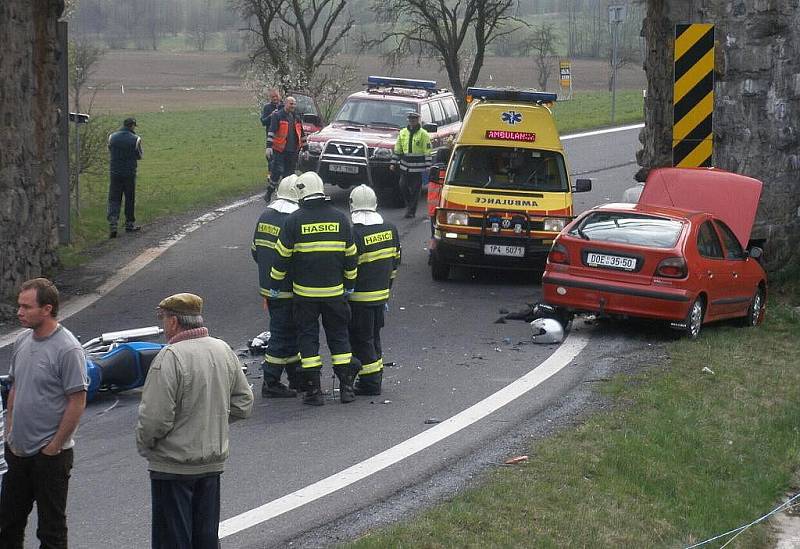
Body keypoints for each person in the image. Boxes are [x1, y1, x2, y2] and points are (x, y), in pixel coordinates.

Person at [136, 293, 253, 549]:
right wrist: (211, 422)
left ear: (174, 322)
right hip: (211, 463)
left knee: (173, 540)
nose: (163, 325)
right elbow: (243, 403)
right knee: (206, 538)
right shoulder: (223, 350)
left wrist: (146, 445)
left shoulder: (170, 358)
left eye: (164, 319)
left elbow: (155, 419)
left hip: (173, 466)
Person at [0, 278, 88, 548]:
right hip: (18, 451)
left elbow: (77, 400)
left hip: (50, 457)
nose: (19, 312)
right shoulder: (23, 340)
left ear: (47, 309)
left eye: (26, 307)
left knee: (51, 530)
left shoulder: (68, 348)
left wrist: (54, 447)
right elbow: (15, 385)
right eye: (19, 306)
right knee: (7, 524)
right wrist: (11, 430)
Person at [268, 171, 360, 406]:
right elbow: (351, 258)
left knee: (308, 340)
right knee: (339, 339)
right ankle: (346, 389)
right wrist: (349, 285)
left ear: (301, 192)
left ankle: (314, 392)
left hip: (305, 295)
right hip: (334, 293)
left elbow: (281, 259)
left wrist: (274, 286)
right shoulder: (341, 219)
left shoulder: (294, 220)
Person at [251, 174, 302, 398]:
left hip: (268, 287)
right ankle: (270, 380)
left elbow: (255, 251)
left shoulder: (265, 216)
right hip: (288, 288)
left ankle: (295, 376)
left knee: (289, 332)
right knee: (282, 334)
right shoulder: (293, 220)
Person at [347, 185, 401, 396]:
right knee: (373, 338)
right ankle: (375, 376)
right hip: (381, 296)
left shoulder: (355, 233)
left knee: (362, 341)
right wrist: (386, 288)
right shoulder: (390, 229)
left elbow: (350, 269)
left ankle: (370, 383)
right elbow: (395, 262)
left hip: (359, 299)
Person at [107, 117, 144, 238]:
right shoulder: (136, 139)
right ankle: (129, 223)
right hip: (129, 173)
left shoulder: (112, 137)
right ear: (132, 126)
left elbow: (110, 150)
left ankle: (113, 222)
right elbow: (139, 156)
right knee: (129, 198)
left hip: (115, 172)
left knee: (114, 198)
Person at [391, 110, 432, 218]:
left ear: (418, 120)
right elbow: (398, 149)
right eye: (410, 119)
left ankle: (411, 211)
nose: (412, 121)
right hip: (405, 167)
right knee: (402, 186)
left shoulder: (423, 134)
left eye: (414, 119)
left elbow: (427, 151)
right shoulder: (403, 132)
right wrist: (393, 163)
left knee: (415, 190)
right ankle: (410, 205)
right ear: (408, 121)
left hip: (417, 168)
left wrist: (428, 167)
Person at [266, 96, 307, 201]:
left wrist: (305, 149)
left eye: (294, 104)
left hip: (293, 151)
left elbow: (302, 134)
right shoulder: (278, 116)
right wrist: (269, 147)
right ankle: (269, 191)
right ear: (285, 104)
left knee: (289, 175)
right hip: (279, 150)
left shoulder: (296, 118)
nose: (293, 106)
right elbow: (271, 131)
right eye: (291, 103)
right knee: (277, 171)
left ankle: (284, 195)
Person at [260, 89, 283, 185]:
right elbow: (263, 122)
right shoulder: (267, 107)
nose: (275, 98)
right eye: (273, 97)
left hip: (282, 137)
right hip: (271, 137)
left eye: (276, 96)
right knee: (270, 157)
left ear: (279, 97)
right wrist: (271, 116)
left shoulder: (283, 107)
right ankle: (270, 176)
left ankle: (281, 176)